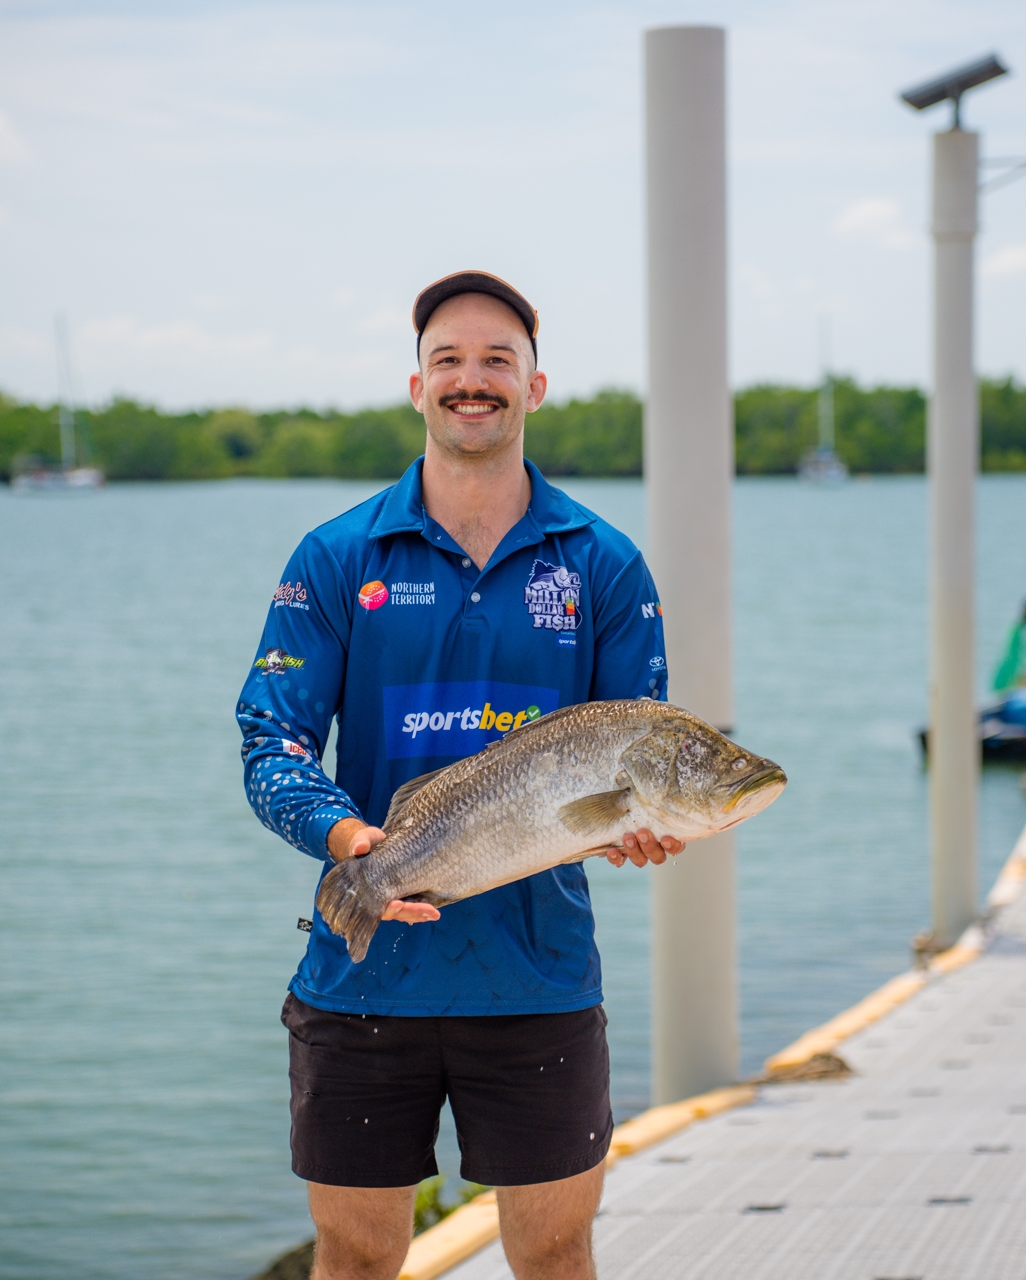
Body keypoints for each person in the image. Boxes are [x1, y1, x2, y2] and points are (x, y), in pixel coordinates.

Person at [236, 271, 683, 1280]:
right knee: (355, 1251)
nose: (471, 380)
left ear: (534, 386)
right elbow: (271, 741)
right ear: (416, 384)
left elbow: (637, 755)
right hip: (361, 971)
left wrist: (639, 828)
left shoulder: (603, 563)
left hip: (537, 974)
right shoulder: (336, 554)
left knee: (557, 1249)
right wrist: (354, 843)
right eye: (450, 360)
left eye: (496, 361)